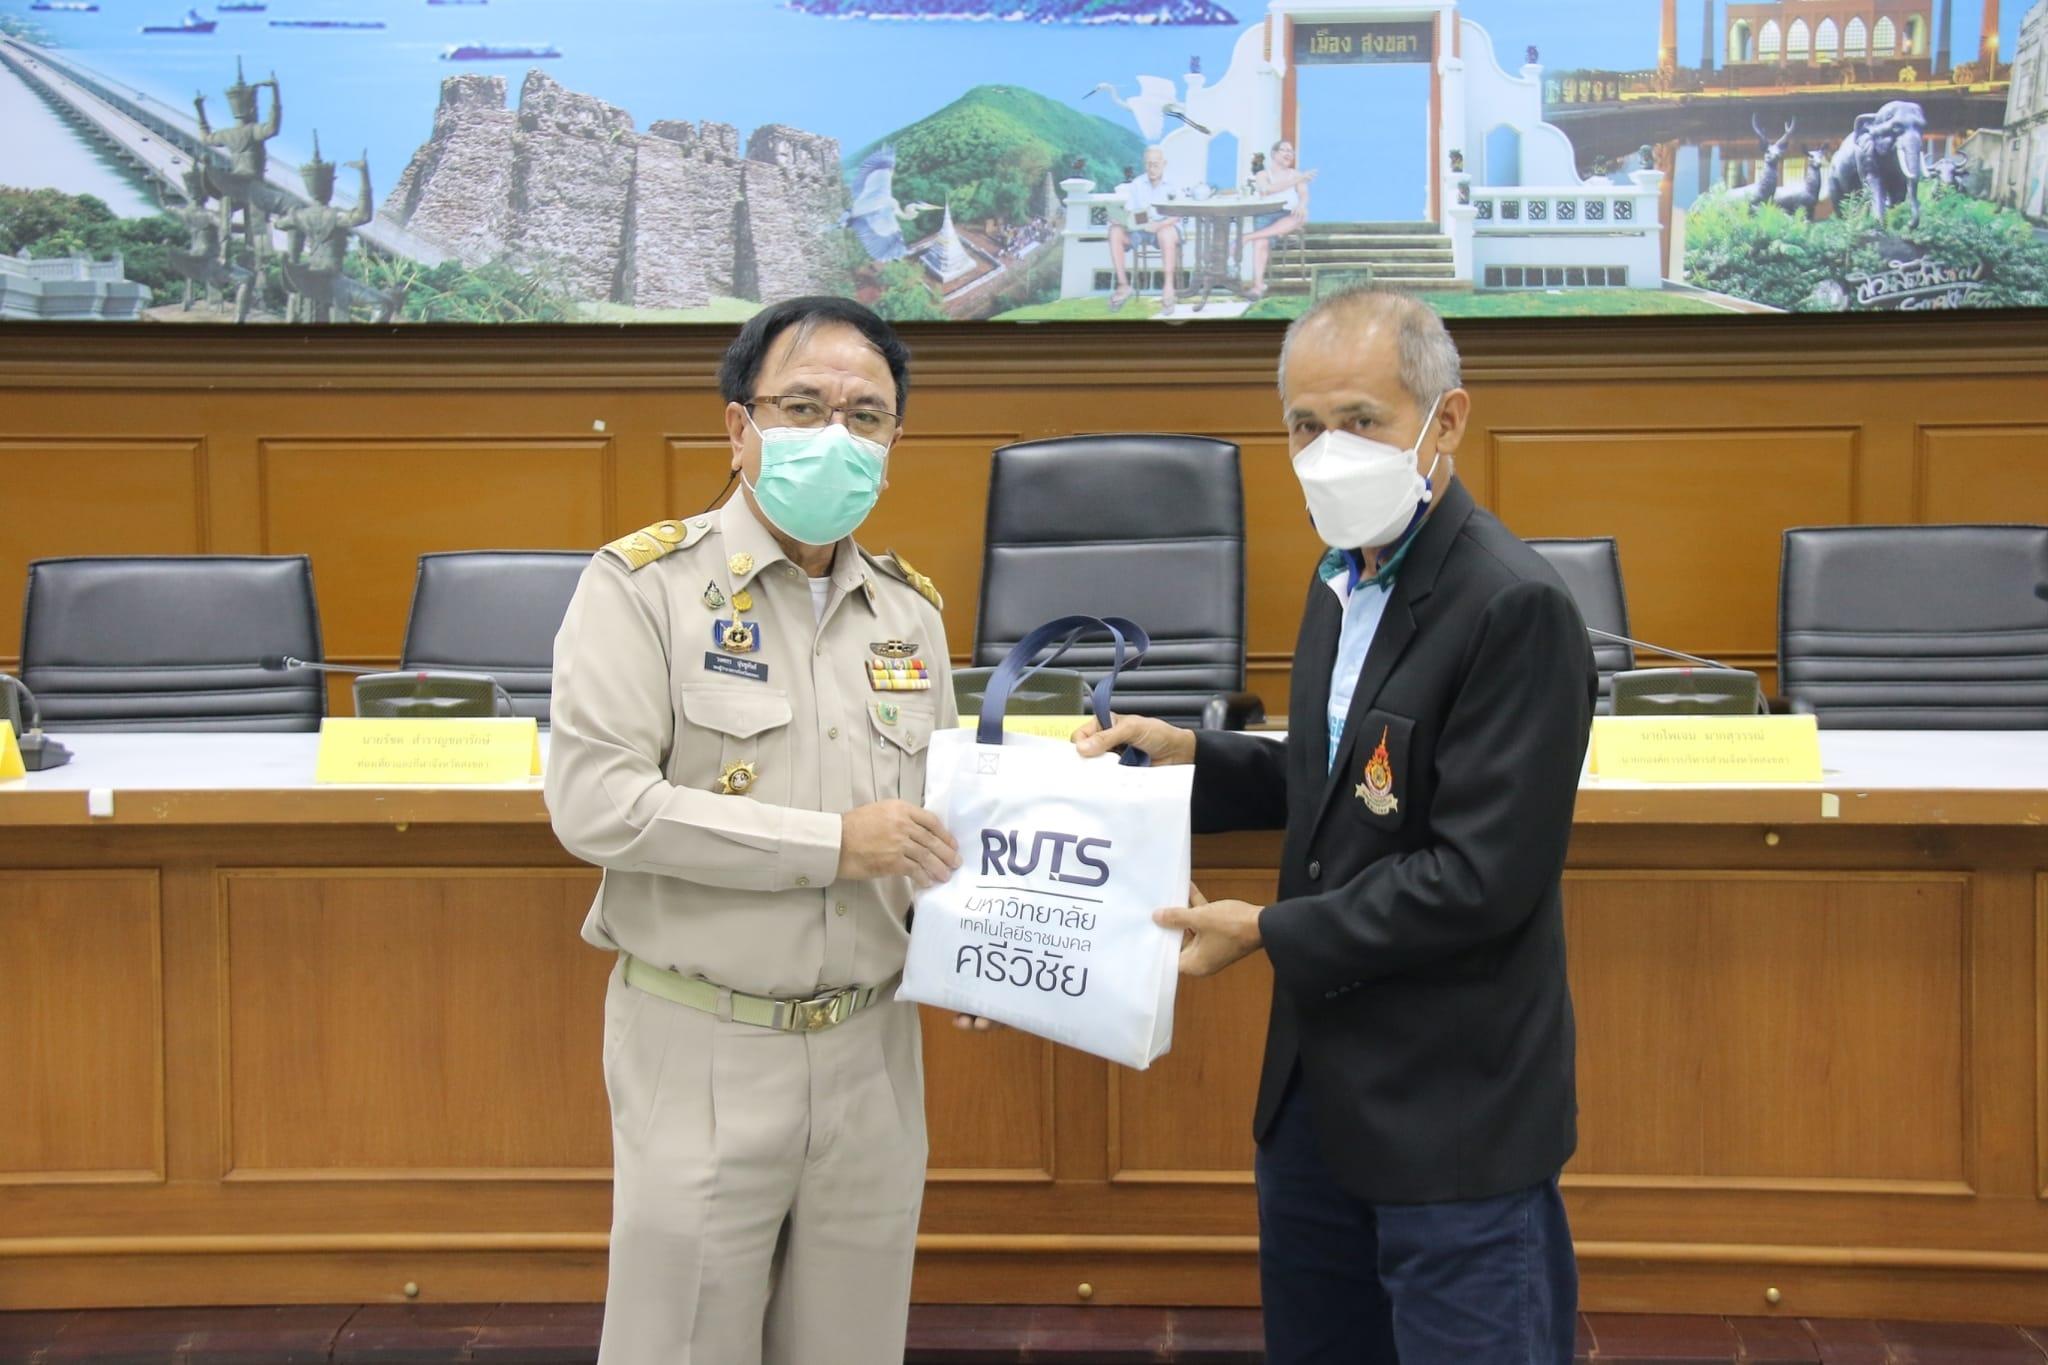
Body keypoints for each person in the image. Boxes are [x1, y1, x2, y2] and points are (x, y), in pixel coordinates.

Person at [1078, 288, 1595, 1365]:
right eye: (1303, 427)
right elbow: (1346, 785)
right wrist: (1188, 756)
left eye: (1360, 420)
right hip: (1315, 1103)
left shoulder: (1511, 604)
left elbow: (1479, 877)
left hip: (1451, 1117)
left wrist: (1267, 929)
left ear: (1445, 420)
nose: (1327, 454)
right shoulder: (1343, 578)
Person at [545, 296, 970, 1364]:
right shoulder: (644, 588)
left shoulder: (909, 614)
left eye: (865, 416)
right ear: (740, 428)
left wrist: (988, 942)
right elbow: (598, 804)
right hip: (705, 1039)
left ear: (893, 443)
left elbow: (940, 827)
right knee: (682, 1344)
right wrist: (832, 845)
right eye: (803, 406)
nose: (836, 434)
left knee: (851, 1348)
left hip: (872, 1046)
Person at [1106, 145, 1183, 316]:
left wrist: (1159, 225)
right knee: (1115, 231)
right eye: (1148, 164)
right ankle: (1123, 285)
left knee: (1165, 232)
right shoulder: (1137, 183)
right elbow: (1132, 213)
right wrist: (1121, 220)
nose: (1151, 168)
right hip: (1142, 228)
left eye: (1155, 164)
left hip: (1167, 226)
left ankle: (1168, 287)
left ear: (1164, 164)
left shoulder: (1173, 184)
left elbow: (1177, 214)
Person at [1242, 138, 1317, 300]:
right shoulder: (1262, 174)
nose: (1289, 154)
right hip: (1267, 215)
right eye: (1285, 150)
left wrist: (1302, 205)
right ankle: (1258, 286)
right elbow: (1268, 190)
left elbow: (1304, 195)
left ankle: (1247, 237)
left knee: (1301, 216)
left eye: (1291, 151)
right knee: (1260, 242)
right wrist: (1298, 179)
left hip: (1288, 215)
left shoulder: (1296, 174)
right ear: (1274, 154)